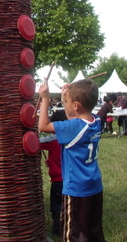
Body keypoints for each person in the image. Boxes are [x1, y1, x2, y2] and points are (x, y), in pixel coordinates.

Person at [38, 78, 106, 242]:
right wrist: (66, 97)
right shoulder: (95, 121)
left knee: (74, 235)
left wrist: (45, 98)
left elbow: (43, 126)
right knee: (94, 231)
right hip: (95, 187)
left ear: (75, 105)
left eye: (67, 102)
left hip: (76, 190)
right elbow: (73, 117)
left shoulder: (73, 127)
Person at [39, 109, 66, 237]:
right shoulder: (70, 136)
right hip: (70, 178)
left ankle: (58, 230)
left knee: (56, 207)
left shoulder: (53, 139)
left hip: (58, 180)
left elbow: (36, 142)